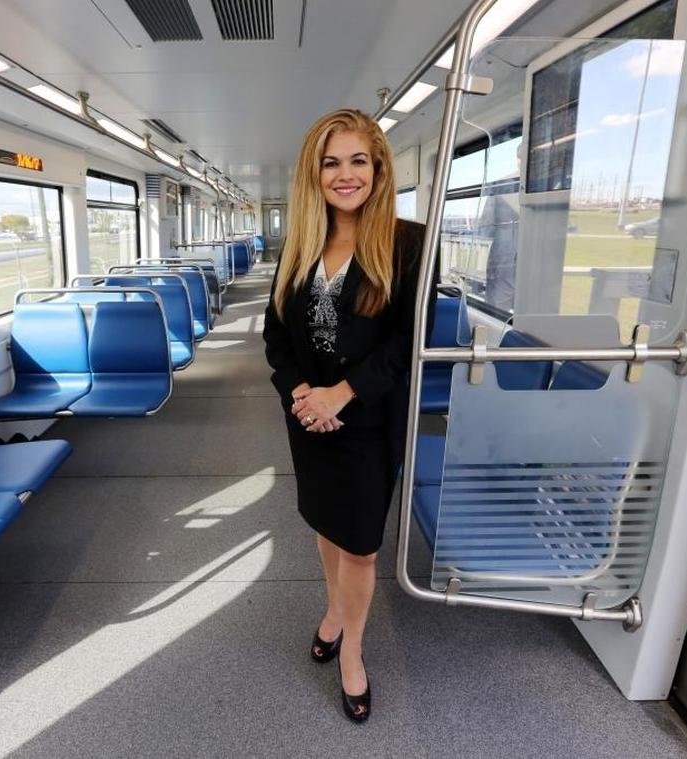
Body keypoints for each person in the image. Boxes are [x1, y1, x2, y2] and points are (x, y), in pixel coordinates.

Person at [262, 108, 429, 723]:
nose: (345, 174)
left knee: (360, 545)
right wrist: (303, 392)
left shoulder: (408, 244)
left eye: (358, 159)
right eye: (331, 162)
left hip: (369, 420)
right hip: (308, 417)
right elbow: (275, 334)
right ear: (316, 172)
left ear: (378, 167)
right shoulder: (301, 242)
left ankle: (353, 649)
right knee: (327, 522)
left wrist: (343, 393)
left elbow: (406, 344)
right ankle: (334, 612)